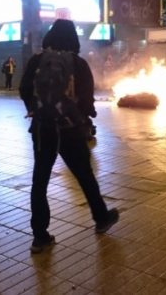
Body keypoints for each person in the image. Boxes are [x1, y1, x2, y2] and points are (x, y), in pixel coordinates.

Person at [19, 19, 119, 254]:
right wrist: (84, 116)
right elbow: (86, 99)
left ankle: (40, 237)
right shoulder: (78, 64)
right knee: (84, 175)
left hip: (43, 129)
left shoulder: (36, 61)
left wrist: (36, 110)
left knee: (40, 181)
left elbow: (24, 90)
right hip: (70, 129)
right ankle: (101, 217)